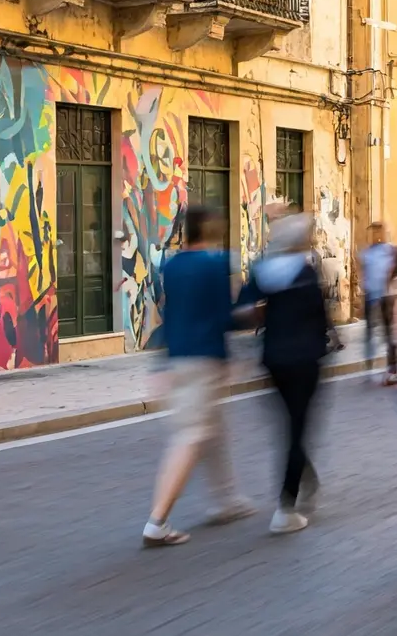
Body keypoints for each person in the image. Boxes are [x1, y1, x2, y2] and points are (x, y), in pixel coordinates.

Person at [141, 207, 254, 548]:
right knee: (191, 436)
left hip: (178, 358)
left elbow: (169, 313)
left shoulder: (172, 265)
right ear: (211, 229)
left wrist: (161, 365)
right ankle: (157, 521)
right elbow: (225, 317)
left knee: (213, 430)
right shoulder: (217, 263)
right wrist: (252, 313)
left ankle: (227, 499)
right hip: (206, 359)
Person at [235, 214, 328, 535]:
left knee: (290, 425)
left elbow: (242, 312)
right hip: (305, 360)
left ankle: (307, 477)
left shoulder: (262, 272)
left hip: (274, 358)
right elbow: (320, 318)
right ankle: (285, 508)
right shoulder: (305, 272)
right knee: (297, 430)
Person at [359, 222, 397, 385]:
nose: (375, 235)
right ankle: (369, 367)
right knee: (369, 333)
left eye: (377, 231)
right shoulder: (366, 253)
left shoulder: (389, 251)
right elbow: (363, 273)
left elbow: (393, 271)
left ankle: (393, 367)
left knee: (389, 334)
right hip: (370, 296)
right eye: (372, 232)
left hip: (385, 297)